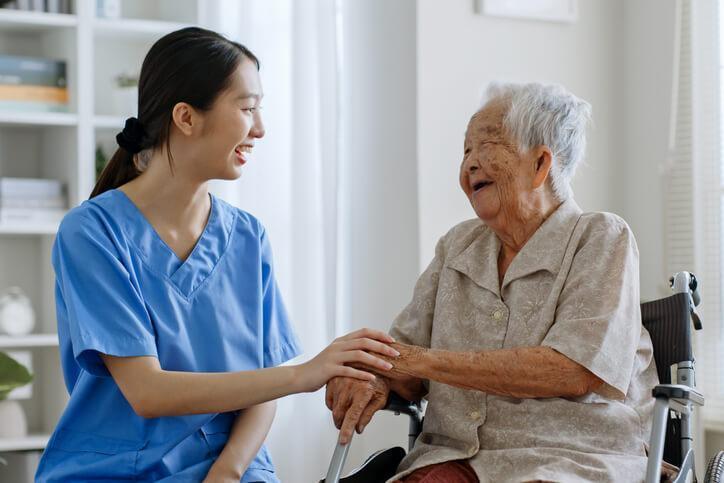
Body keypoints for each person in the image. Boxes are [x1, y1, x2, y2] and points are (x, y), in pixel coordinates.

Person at [35, 27, 397, 483]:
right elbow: (147, 392)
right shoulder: (92, 232)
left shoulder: (247, 237)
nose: (260, 128)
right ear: (186, 117)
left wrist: (227, 471)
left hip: (234, 466)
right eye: (248, 108)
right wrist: (304, 374)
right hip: (117, 471)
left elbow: (260, 388)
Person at [325, 82, 659, 483]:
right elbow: (401, 362)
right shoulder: (457, 247)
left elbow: (573, 370)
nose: (469, 164)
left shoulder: (601, 238)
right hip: (454, 458)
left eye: (486, 145)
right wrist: (372, 377)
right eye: (465, 151)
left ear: (540, 164)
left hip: (571, 459)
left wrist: (411, 359)